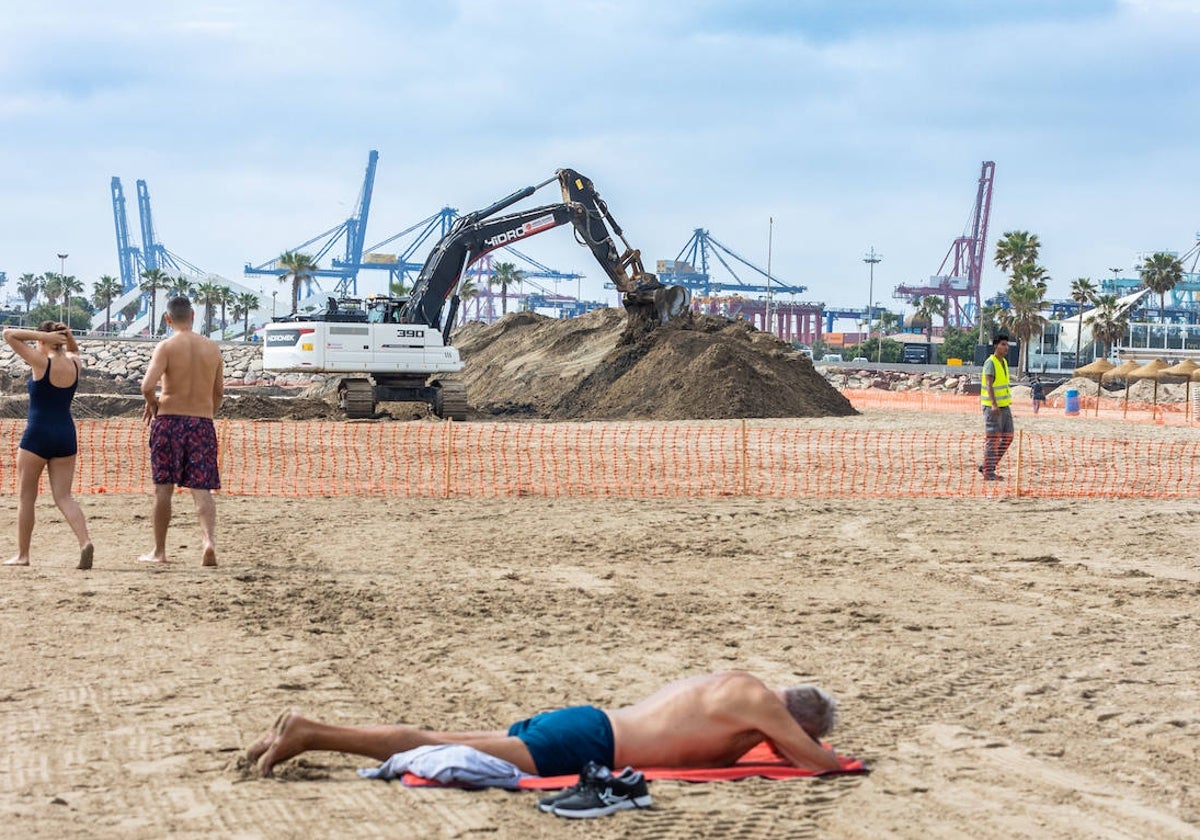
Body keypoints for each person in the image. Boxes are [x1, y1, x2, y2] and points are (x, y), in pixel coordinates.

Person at [247, 670, 843, 779]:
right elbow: (818, 764)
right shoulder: (763, 706)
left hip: (586, 725)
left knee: (440, 740)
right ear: (798, 718)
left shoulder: (736, 685)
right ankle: (310, 731)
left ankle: (283, 736)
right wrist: (818, 753)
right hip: (590, 744)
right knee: (431, 743)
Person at [139, 296, 224, 566]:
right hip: (201, 422)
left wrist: (153, 405)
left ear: (168, 319)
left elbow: (146, 385)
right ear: (193, 315)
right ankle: (208, 541)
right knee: (202, 489)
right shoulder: (212, 348)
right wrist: (207, 413)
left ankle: (159, 552)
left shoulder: (166, 346)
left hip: (169, 421)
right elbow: (219, 391)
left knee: (163, 489)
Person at [2, 322, 94, 569]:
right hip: (66, 434)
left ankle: (23, 555)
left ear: (44, 340)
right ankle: (84, 541)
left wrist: (43, 335)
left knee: (26, 498)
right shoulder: (75, 363)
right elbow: (74, 349)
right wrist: (67, 337)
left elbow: (8, 334)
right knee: (64, 496)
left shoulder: (42, 363)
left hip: (38, 434)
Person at [979, 333, 1013, 481]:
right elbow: (988, 384)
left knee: (1008, 437)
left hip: (1005, 406)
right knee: (992, 439)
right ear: (995, 346)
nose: (1006, 347)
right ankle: (988, 472)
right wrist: (993, 404)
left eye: (1007, 344)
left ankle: (987, 465)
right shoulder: (990, 362)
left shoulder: (1003, 362)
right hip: (993, 408)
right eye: (1003, 344)